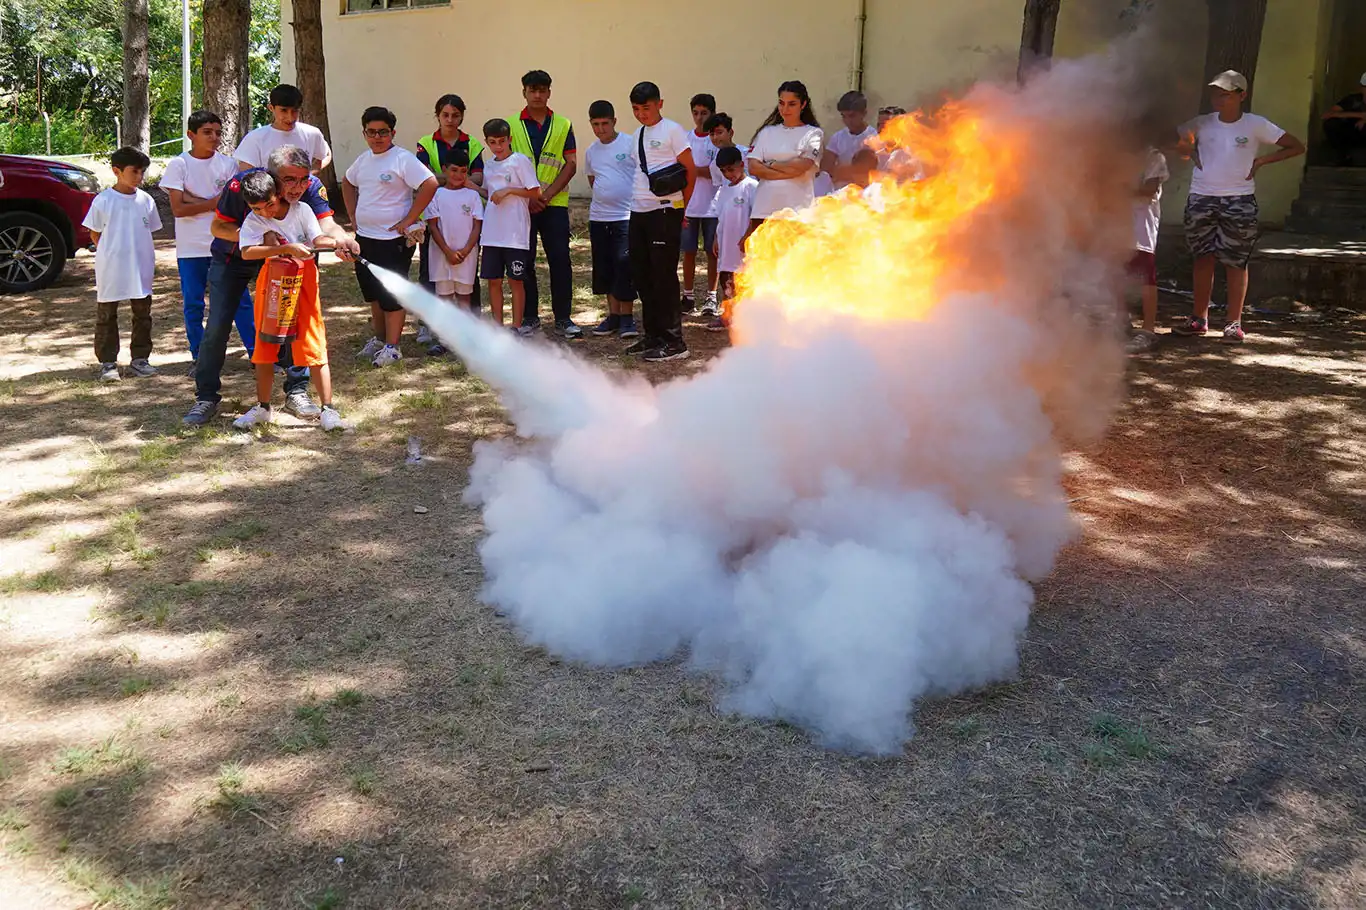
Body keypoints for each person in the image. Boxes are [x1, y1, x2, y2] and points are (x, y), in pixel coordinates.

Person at [182, 145, 358, 428]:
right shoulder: (244, 185)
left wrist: (344, 240)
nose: (297, 186)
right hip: (235, 257)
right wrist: (260, 236)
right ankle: (206, 396)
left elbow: (325, 227)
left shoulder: (308, 188)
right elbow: (218, 227)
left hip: (287, 264)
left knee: (294, 323)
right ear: (272, 177)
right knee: (217, 325)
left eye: (303, 178)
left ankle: (297, 390)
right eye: (289, 180)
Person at [1174, 71, 1304, 343]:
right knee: (1202, 258)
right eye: (1215, 93)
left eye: (1225, 94)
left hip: (1239, 200)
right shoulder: (1201, 123)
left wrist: (1261, 163)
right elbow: (1176, 140)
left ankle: (1233, 323)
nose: (1218, 99)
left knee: (1236, 261)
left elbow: (1296, 146)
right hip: (1201, 197)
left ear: (1242, 95)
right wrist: (1188, 150)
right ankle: (1199, 319)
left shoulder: (1256, 125)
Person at [232, 171, 346, 432]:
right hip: (272, 283)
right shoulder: (254, 220)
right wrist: (284, 249)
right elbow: (247, 252)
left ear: (278, 194)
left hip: (304, 282)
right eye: (257, 208)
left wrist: (339, 243)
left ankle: (328, 409)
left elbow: (318, 239)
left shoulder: (302, 210)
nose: (265, 212)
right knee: (265, 346)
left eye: (269, 204)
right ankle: (263, 408)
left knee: (313, 342)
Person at [343, 106, 439, 367]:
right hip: (364, 238)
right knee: (373, 292)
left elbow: (429, 183)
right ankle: (379, 339)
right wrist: (353, 214)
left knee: (391, 292)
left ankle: (393, 347)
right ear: (364, 133)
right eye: (371, 132)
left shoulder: (402, 159)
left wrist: (409, 219)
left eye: (383, 132)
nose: (377, 137)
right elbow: (348, 182)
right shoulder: (363, 160)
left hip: (393, 242)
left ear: (392, 132)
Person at [162, 109, 252, 373]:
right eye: (207, 133)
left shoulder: (229, 165)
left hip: (225, 245)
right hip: (191, 248)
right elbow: (177, 209)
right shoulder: (179, 165)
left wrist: (198, 201)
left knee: (240, 300)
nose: (214, 138)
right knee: (194, 304)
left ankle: (257, 352)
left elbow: (233, 204)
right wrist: (213, 203)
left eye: (217, 133)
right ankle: (199, 357)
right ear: (191, 135)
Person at [627, 81, 696, 362]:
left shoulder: (673, 131)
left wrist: (684, 210)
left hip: (666, 210)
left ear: (660, 104)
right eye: (636, 109)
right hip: (639, 210)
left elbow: (689, 171)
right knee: (642, 275)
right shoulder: (637, 135)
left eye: (646, 107)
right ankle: (652, 335)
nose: (642, 113)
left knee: (663, 276)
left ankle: (674, 341)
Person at [510, 70, 582, 337]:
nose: (537, 95)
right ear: (524, 92)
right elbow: (506, 165)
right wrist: (530, 197)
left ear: (549, 92)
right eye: (532, 90)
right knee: (524, 260)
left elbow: (571, 164)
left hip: (554, 204)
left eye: (542, 90)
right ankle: (530, 316)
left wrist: (546, 195)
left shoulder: (563, 124)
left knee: (560, 259)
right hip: (522, 206)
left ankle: (563, 317)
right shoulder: (511, 125)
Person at [82, 146, 161, 382]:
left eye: (142, 172)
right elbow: (95, 234)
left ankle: (140, 359)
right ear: (117, 171)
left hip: (141, 267)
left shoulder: (146, 200)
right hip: (112, 267)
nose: (139, 177)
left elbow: (150, 230)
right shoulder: (104, 200)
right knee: (107, 314)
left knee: (142, 313)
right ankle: (107, 363)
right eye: (134, 171)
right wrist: (113, 250)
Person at [415, 93, 485, 333]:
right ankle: (428, 325)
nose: (450, 119)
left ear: (462, 116)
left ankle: (472, 326)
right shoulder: (426, 142)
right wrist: (454, 179)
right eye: (445, 114)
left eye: (456, 115)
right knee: (428, 272)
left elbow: (478, 176)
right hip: (433, 213)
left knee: (468, 279)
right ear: (438, 116)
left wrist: (440, 178)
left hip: (463, 226)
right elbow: (422, 177)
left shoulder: (472, 143)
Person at [584, 99, 639, 339]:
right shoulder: (591, 151)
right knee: (605, 267)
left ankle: (628, 318)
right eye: (595, 124)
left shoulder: (629, 144)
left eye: (605, 123)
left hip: (625, 217)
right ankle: (613, 315)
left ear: (614, 121)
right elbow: (593, 180)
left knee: (624, 266)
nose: (600, 129)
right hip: (599, 218)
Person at [479, 118, 542, 331]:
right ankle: (497, 326)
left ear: (509, 140)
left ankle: (515, 326)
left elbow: (536, 191)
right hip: (492, 233)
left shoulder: (520, 161)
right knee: (493, 281)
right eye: (493, 142)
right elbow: (491, 194)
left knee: (516, 280)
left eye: (502, 141)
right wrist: (473, 187)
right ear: (487, 142)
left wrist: (510, 190)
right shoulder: (488, 166)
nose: (498, 146)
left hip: (515, 233)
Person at [746, 81, 823, 239]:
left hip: (798, 212)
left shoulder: (813, 133)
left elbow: (803, 166)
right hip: (764, 210)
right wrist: (789, 170)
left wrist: (771, 164)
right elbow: (754, 167)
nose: (785, 109)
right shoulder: (766, 132)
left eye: (792, 104)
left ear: (803, 104)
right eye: (781, 103)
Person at [423, 152, 484, 353]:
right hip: (442, 255)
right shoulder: (436, 194)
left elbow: (477, 226)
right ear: (444, 169)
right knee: (445, 297)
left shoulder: (472, 195)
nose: (458, 175)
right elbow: (433, 226)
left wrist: (465, 250)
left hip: (467, 256)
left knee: (464, 296)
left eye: (463, 171)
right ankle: (444, 339)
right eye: (454, 170)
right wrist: (448, 251)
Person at [708, 145, 758, 333]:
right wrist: (716, 239)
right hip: (726, 243)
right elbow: (720, 217)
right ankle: (727, 315)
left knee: (743, 279)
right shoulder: (724, 190)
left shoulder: (751, 187)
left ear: (742, 164)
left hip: (743, 246)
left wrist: (747, 236)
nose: (728, 174)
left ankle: (746, 317)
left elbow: (756, 216)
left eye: (731, 169)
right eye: (723, 171)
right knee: (727, 280)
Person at [1126, 143, 1170, 353]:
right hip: (1118, 223)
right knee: (1119, 272)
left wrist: (1118, 189)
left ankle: (1148, 329)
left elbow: (1149, 188)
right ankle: (1121, 322)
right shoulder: (1117, 154)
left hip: (1142, 223)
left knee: (1146, 275)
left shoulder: (1154, 157)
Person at [235, 84, 332, 174]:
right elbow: (245, 171)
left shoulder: (312, 133)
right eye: (284, 110)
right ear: (271, 108)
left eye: (294, 111)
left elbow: (326, 154)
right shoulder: (255, 138)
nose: (290, 117)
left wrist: (307, 176)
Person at [681, 92, 719, 316]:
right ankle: (687, 295)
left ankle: (712, 297)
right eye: (695, 113)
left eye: (704, 113)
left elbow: (716, 171)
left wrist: (694, 170)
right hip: (690, 205)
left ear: (712, 113)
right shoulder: (686, 139)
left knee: (712, 252)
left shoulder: (716, 140)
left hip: (713, 205)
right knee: (688, 251)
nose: (699, 117)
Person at [822, 90, 878, 192]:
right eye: (844, 116)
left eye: (852, 116)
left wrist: (841, 172)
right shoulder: (838, 137)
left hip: (865, 193)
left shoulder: (873, 138)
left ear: (864, 114)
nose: (848, 120)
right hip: (840, 192)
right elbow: (826, 168)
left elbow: (864, 170)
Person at [1321, 73, 1366, 166]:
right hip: (1352, 132)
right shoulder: (1353, 100)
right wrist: (1360, 115)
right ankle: (1343, 157)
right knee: (1331, 124)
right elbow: (1327, 115)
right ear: (1361, 88)